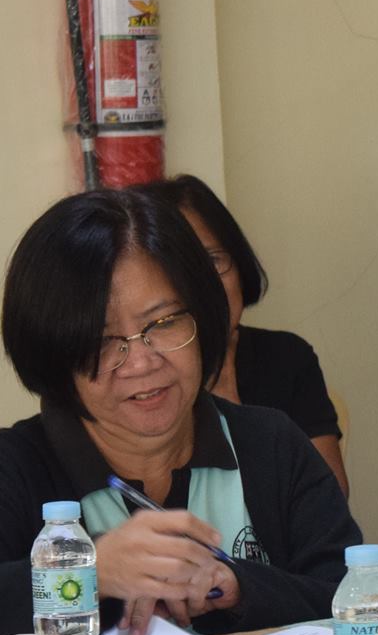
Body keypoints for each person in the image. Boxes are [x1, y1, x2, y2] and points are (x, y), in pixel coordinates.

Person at [0, 189, 364, 635]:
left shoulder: (269, 444)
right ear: (52, 354)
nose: (141, 363)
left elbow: (364, 599)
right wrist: (89, 573)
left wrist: (240, 587)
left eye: (163, 324)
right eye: (101, 342)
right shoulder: (5, 470)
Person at [139, 175, 348, 496]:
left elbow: (327, 500)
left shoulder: (286, 357)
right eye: (183, 268)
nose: (205, 283)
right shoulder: (139, 374)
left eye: (213, 260)